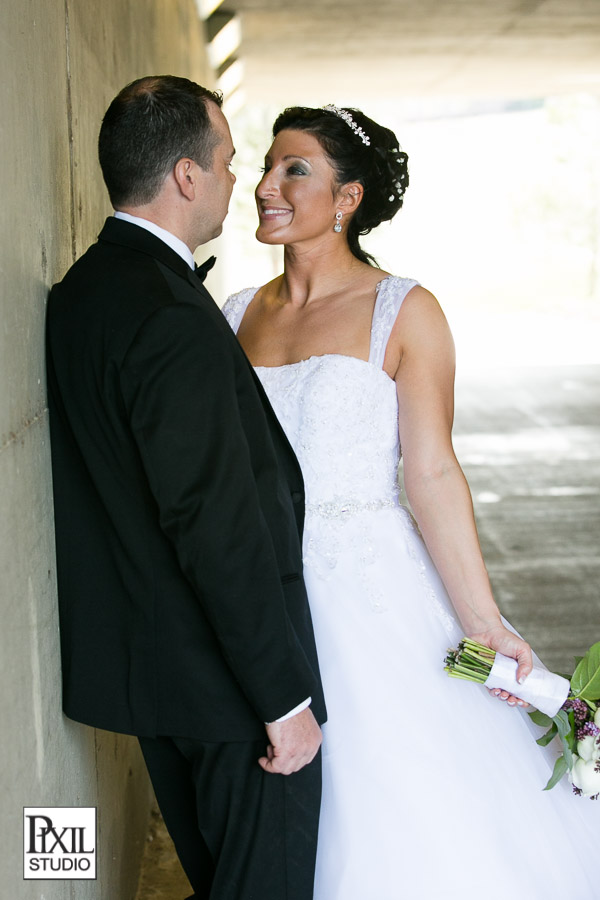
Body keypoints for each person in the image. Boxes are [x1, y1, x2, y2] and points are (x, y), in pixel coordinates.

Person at [222, 104, 597, 899]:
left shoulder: (405, 311)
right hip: (259, 597)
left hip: (369, 594)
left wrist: (485, 623)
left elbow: (430, 475)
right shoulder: (235, 314)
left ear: (348, 198)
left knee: (397, 801)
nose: (265, 187)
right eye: (267, 165)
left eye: (295, 170)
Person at [46, 77, 326, 900]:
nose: (241, 181)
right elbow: (213, 521)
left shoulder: (82, 293)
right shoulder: (167, 311)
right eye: (231, 163)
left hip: (156, 679)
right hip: (229, 690)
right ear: (186, 177)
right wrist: (281, 702)